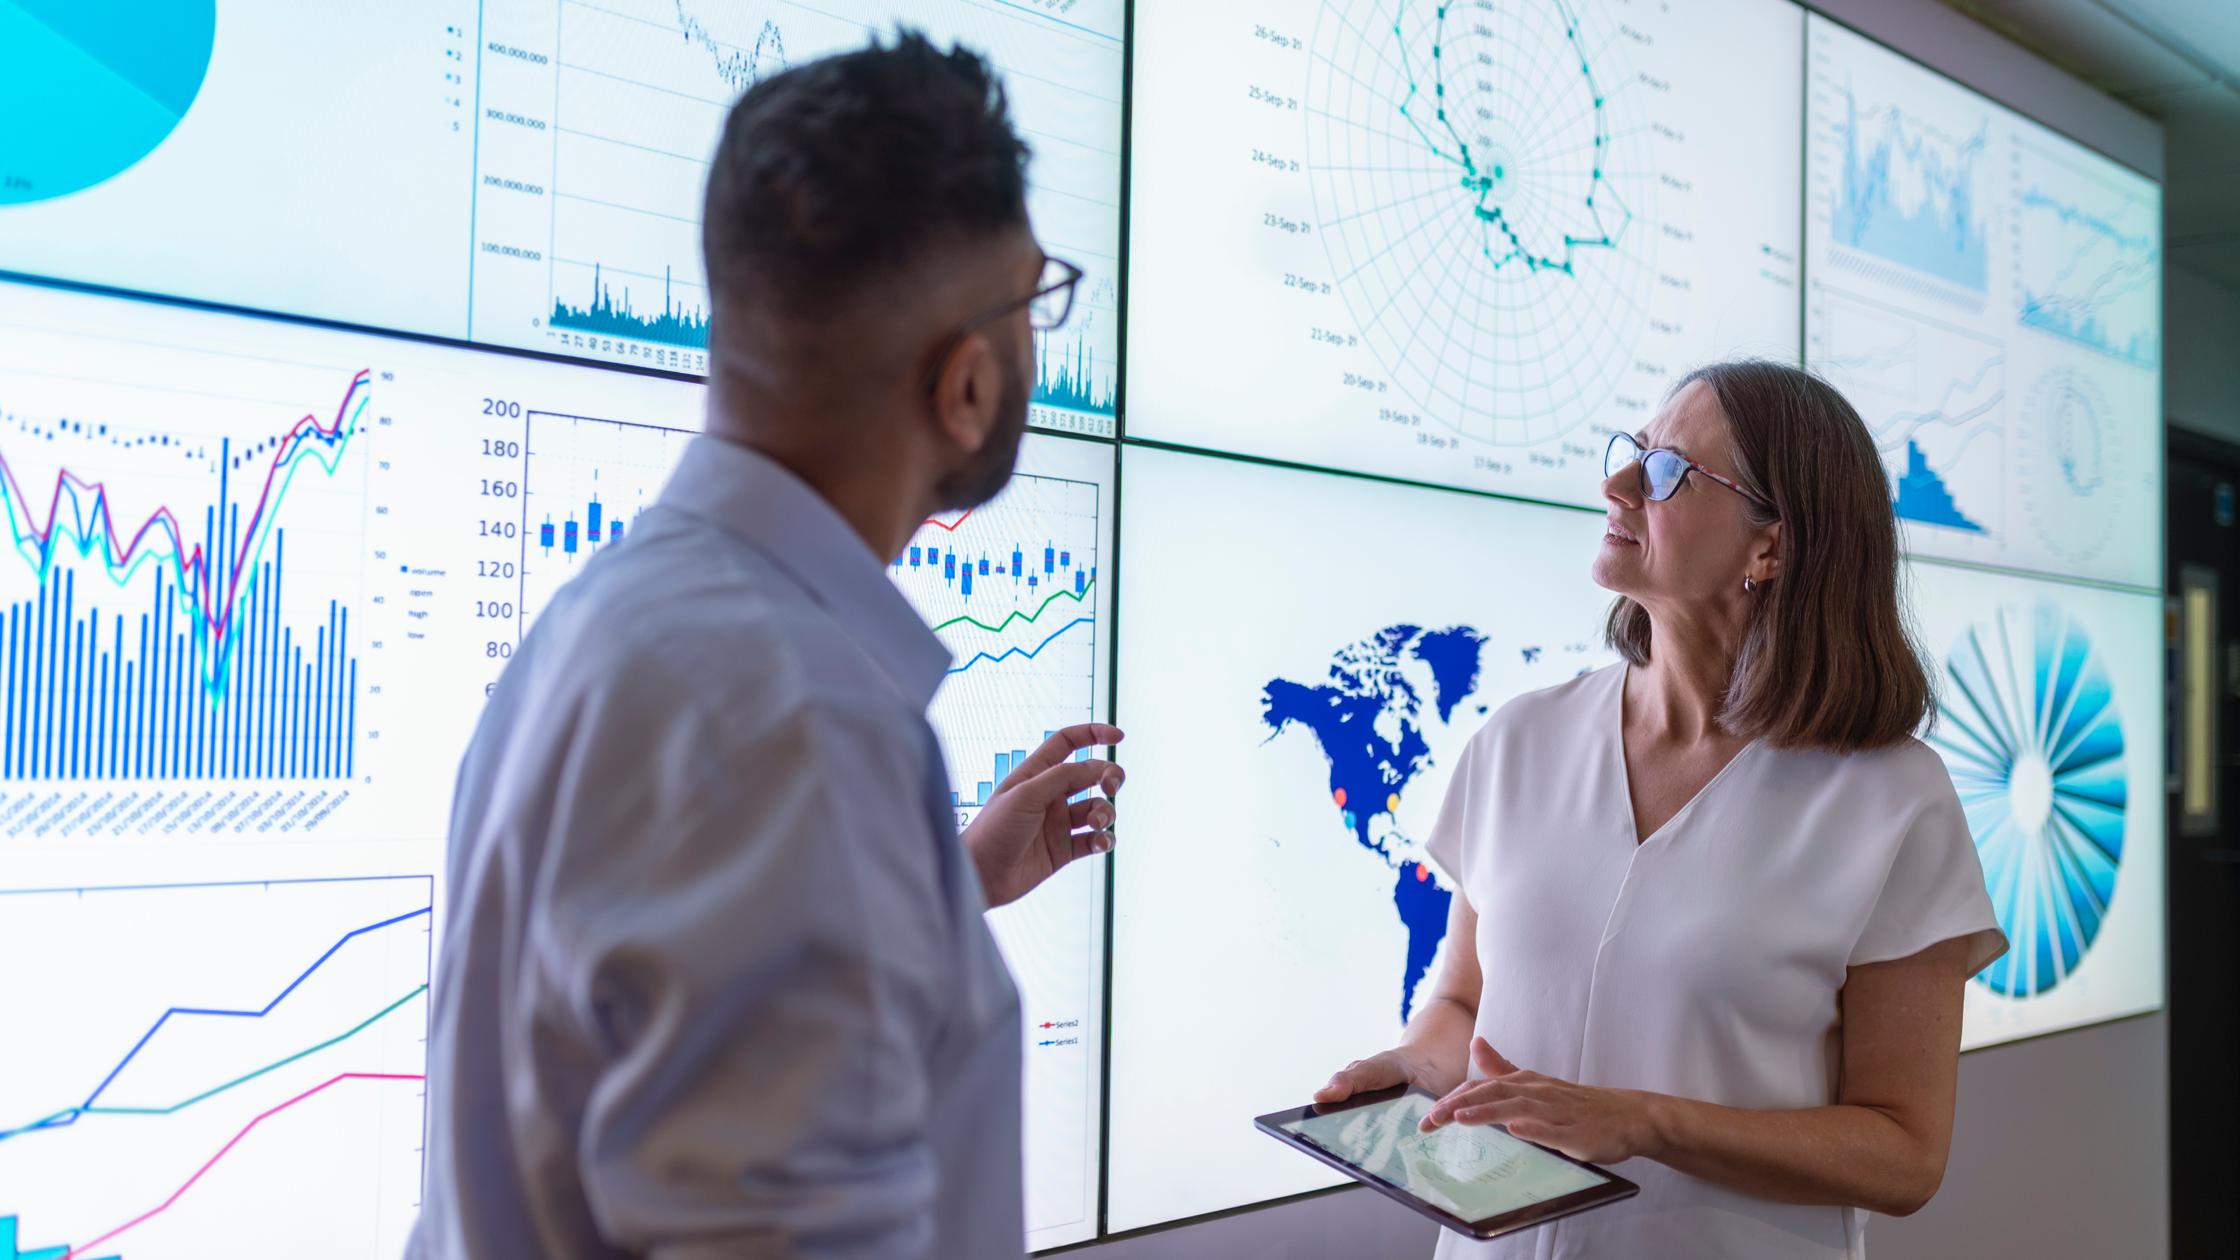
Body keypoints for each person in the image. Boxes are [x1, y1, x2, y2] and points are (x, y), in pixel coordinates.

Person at [408, 34, 1122, 1260]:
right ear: (961, 384)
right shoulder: (789, 720)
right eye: (1032, 302)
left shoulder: (617, 624)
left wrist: (940, 890)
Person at [1317, 360, 2007, 1258]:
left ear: (1772, 547)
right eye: (1633, 453)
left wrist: (1648, 1123)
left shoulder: (1889, 798)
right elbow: (1462, 1001)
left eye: (1668, 470)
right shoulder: (1521, 740)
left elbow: (1905, 1152)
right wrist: (1414, 1067)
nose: (1617, 483)